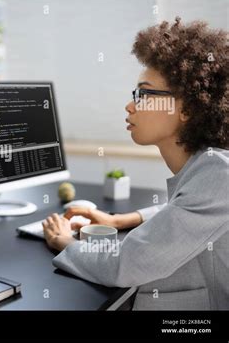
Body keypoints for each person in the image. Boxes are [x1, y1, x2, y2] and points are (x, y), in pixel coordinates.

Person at [42, 17, 228, 310]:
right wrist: (119, 220)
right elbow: (180, 211)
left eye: (144, 94)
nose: (131, 105)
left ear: (188, 109)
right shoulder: (209, 169)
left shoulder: (221, 175)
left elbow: (126, 264)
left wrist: (65, 241)